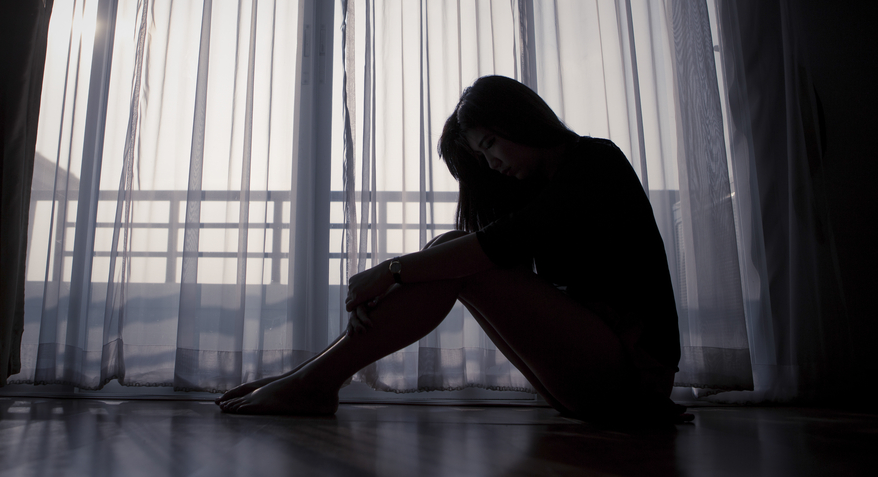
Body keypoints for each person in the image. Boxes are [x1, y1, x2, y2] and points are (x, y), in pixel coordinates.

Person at [217, 75, 686, 424]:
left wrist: (391, 271)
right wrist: (398, 277)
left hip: (634, 375)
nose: (494, 163)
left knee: (456, 255)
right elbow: (489, 251)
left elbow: (492, 247)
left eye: (490, 145)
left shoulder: (594, 161)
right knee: (450, 254)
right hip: (590, 376)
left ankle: (312, 383)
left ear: (516, 120)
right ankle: (309, 378)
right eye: (482, 158)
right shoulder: (539, 189)